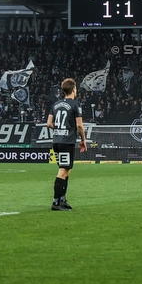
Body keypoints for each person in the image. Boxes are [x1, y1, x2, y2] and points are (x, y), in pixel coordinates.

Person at [47, 78, 87, 211]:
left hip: (57, 141)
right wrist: (83, 140)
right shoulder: (75, 104)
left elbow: (49, 124)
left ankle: (62, 199)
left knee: (66, 170)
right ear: (74, 89)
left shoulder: (56, 104)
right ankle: (56, 202)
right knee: (63, 171)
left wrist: (59, 130)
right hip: (66, 142)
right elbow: (79, 125)